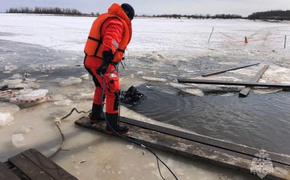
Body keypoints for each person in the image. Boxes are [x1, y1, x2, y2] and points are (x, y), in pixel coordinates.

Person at [83, 3, 134, 134]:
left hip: (91, 60)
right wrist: (107, 57)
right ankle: (112, 127)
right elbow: (111, 39)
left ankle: (96, 116)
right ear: (127, 15)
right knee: (113, 92)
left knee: (101, 87)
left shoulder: (108, 18)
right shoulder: (117, 22)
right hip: (102, 62)